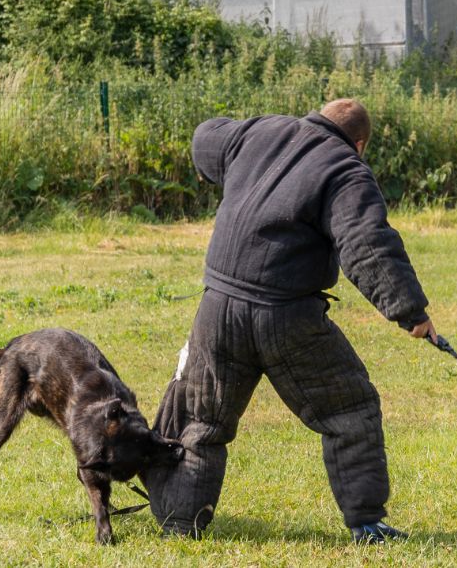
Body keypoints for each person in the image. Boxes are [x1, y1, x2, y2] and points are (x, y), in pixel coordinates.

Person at [142, 99, 436, 544]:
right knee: (349, 410)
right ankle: (366, 525)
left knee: (198, 421)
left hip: (217, 307)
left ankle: (180, 526)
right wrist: (409, 312)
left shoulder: (258, 132)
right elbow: (366, 243)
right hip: (289, 316)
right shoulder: (347, 169)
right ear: (359, 144)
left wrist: (225, 167)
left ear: (317, 115)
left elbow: (205, 135)